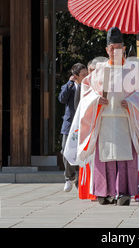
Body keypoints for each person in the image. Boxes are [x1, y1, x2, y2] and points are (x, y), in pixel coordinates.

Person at [64, 27, 139, 206]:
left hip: (125, 119)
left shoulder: (133, 70)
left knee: (125, 157)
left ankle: (124, 192)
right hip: (104, 119)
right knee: (103, 158)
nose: (116, 51)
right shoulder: (98, 71)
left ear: (124, 48)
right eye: (112, 48)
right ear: (107, 50)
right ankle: (103, 192)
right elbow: (86, 90)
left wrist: (133, 101)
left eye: (119, 47)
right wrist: (96, 100)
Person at [59, 63, 88, 192]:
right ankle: (70, 176)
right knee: (65, 150)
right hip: (70, 123)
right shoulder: (70, 87)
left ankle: (82, 179)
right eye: (83, 75)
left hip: (85, 122)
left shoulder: (89, 86)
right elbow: (62, 99)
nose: (87, 76)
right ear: (76, 76)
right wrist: (70, 83)